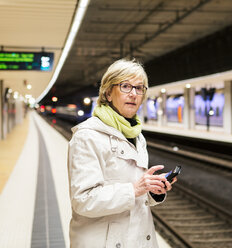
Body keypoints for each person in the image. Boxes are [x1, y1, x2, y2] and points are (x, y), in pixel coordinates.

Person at [68, 58, 177, 248]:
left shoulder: (136, 135)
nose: (134, 94)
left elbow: (137, 192)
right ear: (108, 93)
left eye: (139, 88)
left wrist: (152, 191)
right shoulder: (87, 136)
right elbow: (82, 200)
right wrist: (134, 189)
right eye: (126, 86)